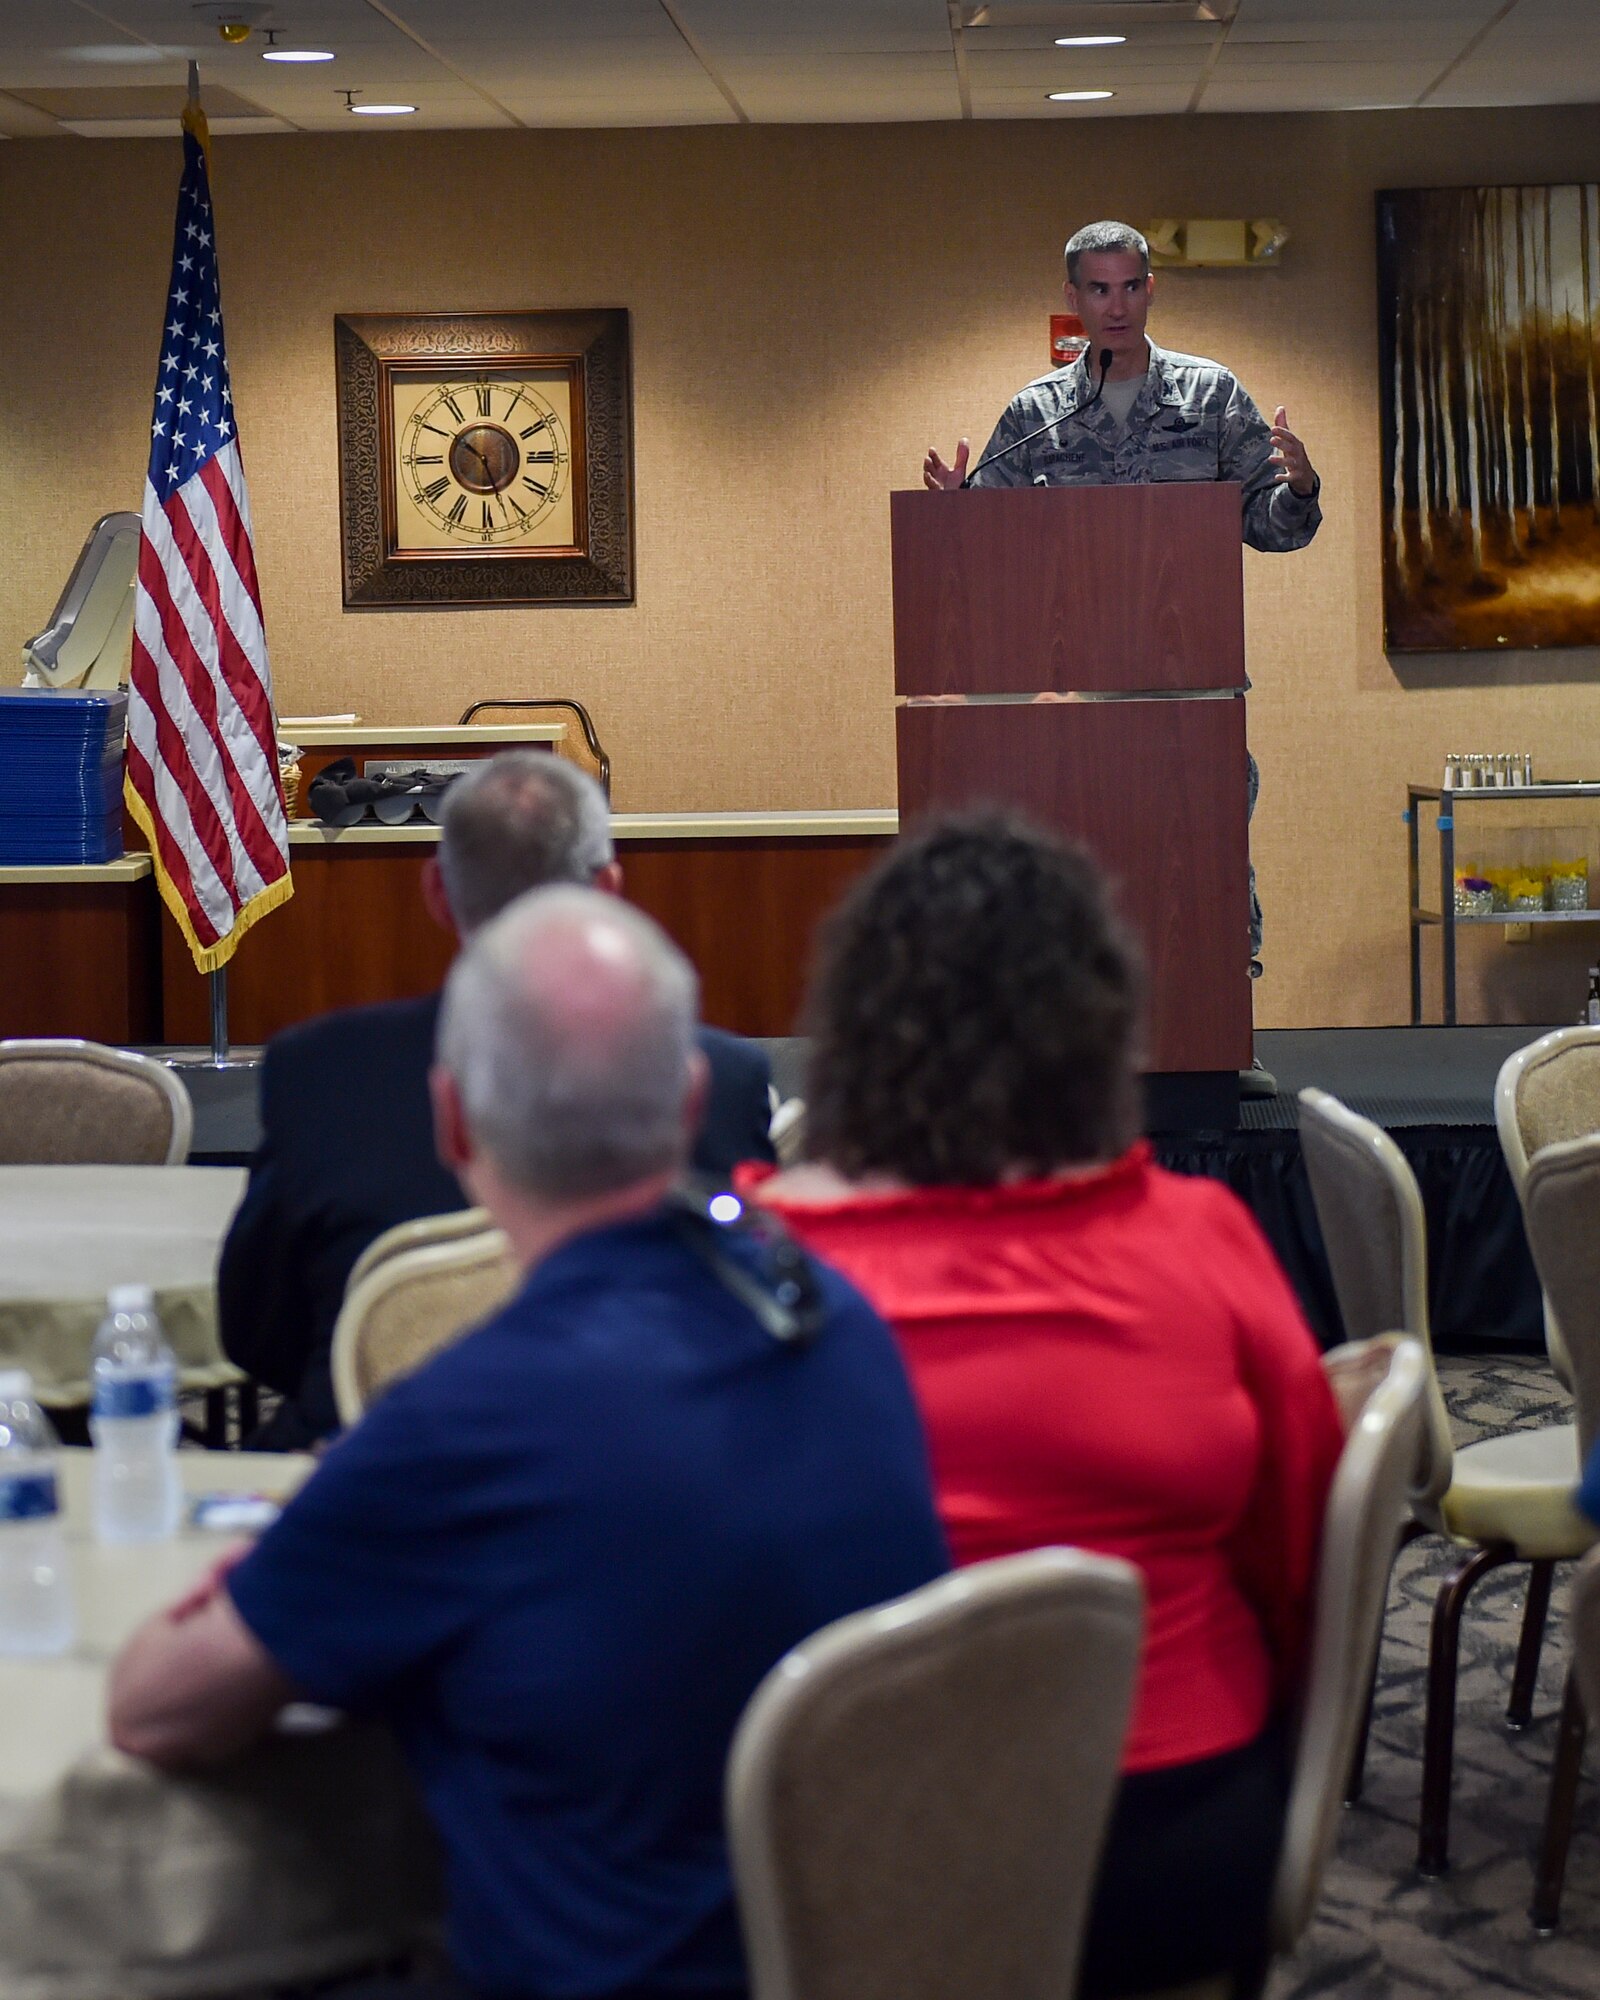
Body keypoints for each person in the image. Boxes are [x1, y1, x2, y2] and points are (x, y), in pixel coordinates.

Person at [110, 887, 949, 2000]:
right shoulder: (839, 1325)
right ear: (693, 1096)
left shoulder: (463, 1422)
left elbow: (160, 1708)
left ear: (453, 1123)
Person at [740, 815, 1345, 2000]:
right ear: (1094, 1026)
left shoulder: (745, 1270)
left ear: (859, 1029)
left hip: (817, 1838)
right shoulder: (1201, 1237)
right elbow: (1298, 1552)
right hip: (1163, 1837)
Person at [219, 752, 776, 1448]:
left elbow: (255, 1331)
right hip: (652, 1464)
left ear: (436, 892)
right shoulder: (727, 1076)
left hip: (368, 1463)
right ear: (608, 887)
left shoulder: (317, 1073)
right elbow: (754, 1306)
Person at [923, 219, 1322, 1092]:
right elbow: (992, 552)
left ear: (1151, 289)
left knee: (1203, 866)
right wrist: (959, 511)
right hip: (1075, 709)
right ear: (1073, 298)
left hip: (1190, 697)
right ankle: (1073, 1060)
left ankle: (1217, 1038)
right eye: (1097, 289)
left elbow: (1273, 529)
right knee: (1075, 881)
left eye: (1131, 286)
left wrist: (1296, 485)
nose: (1116, 305)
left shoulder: (1211, 398)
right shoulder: (1038, 413)